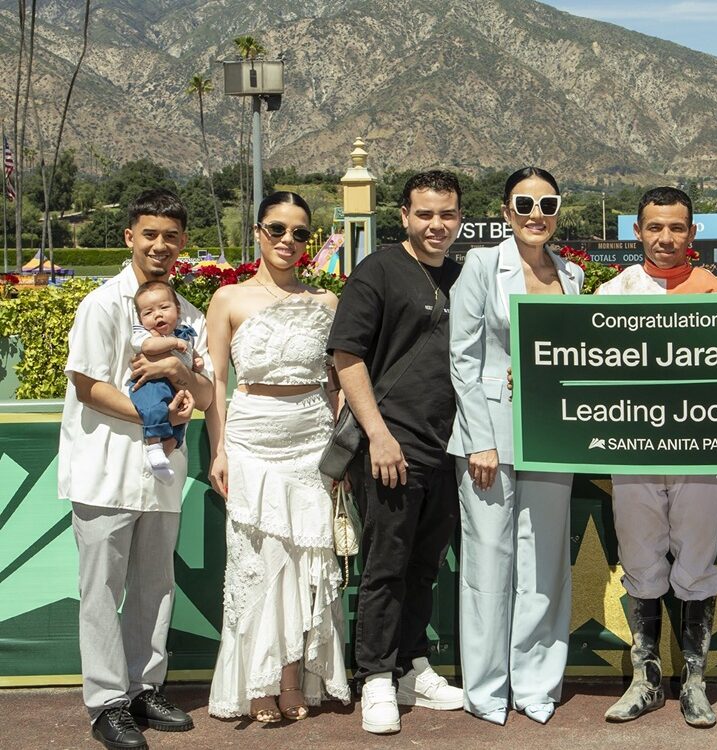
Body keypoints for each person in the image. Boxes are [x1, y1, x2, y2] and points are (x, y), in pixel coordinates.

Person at [61, 188, 214, 750]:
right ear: (130, 238)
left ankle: (144, 688)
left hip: (163, 473)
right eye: (149, 234)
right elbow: (87, 385)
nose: (160, 245)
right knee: (101, 589)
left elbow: (205, 390)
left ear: (183, 244)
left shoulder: (188, 315)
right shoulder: (102, 304)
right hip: (104, 468)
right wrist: (156, 417)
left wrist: (182, 394)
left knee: (155, 585)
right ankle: (106, 704)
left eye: (171, 236)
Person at [327, 171, 466, 735]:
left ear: (460, 218)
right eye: (425, 214)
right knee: (385, 567)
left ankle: (412, 666)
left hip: (447, 444)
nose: (437, 225)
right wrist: (379, 435)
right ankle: (376, 678)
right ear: (404, 216)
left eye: (447, 214)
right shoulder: (377, 271)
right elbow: (346, 356)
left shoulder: (464, 274)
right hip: (391, 445)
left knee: (424, 566)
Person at [205, 191, 350, 724]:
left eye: (300, 233)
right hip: (249, 440)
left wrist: (339, 458)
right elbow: (216, 381)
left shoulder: (327, 303)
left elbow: (336, 384)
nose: (288, 241)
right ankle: (257, 683)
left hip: (311, 439)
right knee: (258, 561)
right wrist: (219, 450)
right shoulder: (228, 300)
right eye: (277, 229)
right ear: (258, 233)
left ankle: (292, 679)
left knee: (307, 563)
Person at [448, 166, 584, 726]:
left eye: (547, 204)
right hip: (489, 438)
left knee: (544, 562)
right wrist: (480, 439)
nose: (536, 214)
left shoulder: (573, 276)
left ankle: (536, 685)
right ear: (506, 211)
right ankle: (485, 689)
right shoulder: (481, 264)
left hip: (554, 435)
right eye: (524, 203)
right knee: (489, 561)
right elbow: (463, 356)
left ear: (557, 212)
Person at [595, 187, 717, 727]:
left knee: (696, 565)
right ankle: (646, 680)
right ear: (638, 231)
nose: (666, 238)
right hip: (632, 451)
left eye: (677, 228)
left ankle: (695, 681)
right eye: (655, 228)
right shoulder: (614, 291)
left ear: (692, 234)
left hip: (699, 452)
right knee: (641, 561)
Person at [128, 280, 202, 484]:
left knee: (179, 426)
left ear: (177, 310)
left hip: (176, 387)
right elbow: (150, 347)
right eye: (148, 312)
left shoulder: (183, 332)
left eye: (163, 308)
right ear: (140, 319)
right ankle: (153, 447)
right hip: (151, 384)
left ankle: (161, 462)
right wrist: (174, 343)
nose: (157, 315)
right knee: (155, 410)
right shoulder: (143, 334)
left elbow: (190, 355)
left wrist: (196, 360)